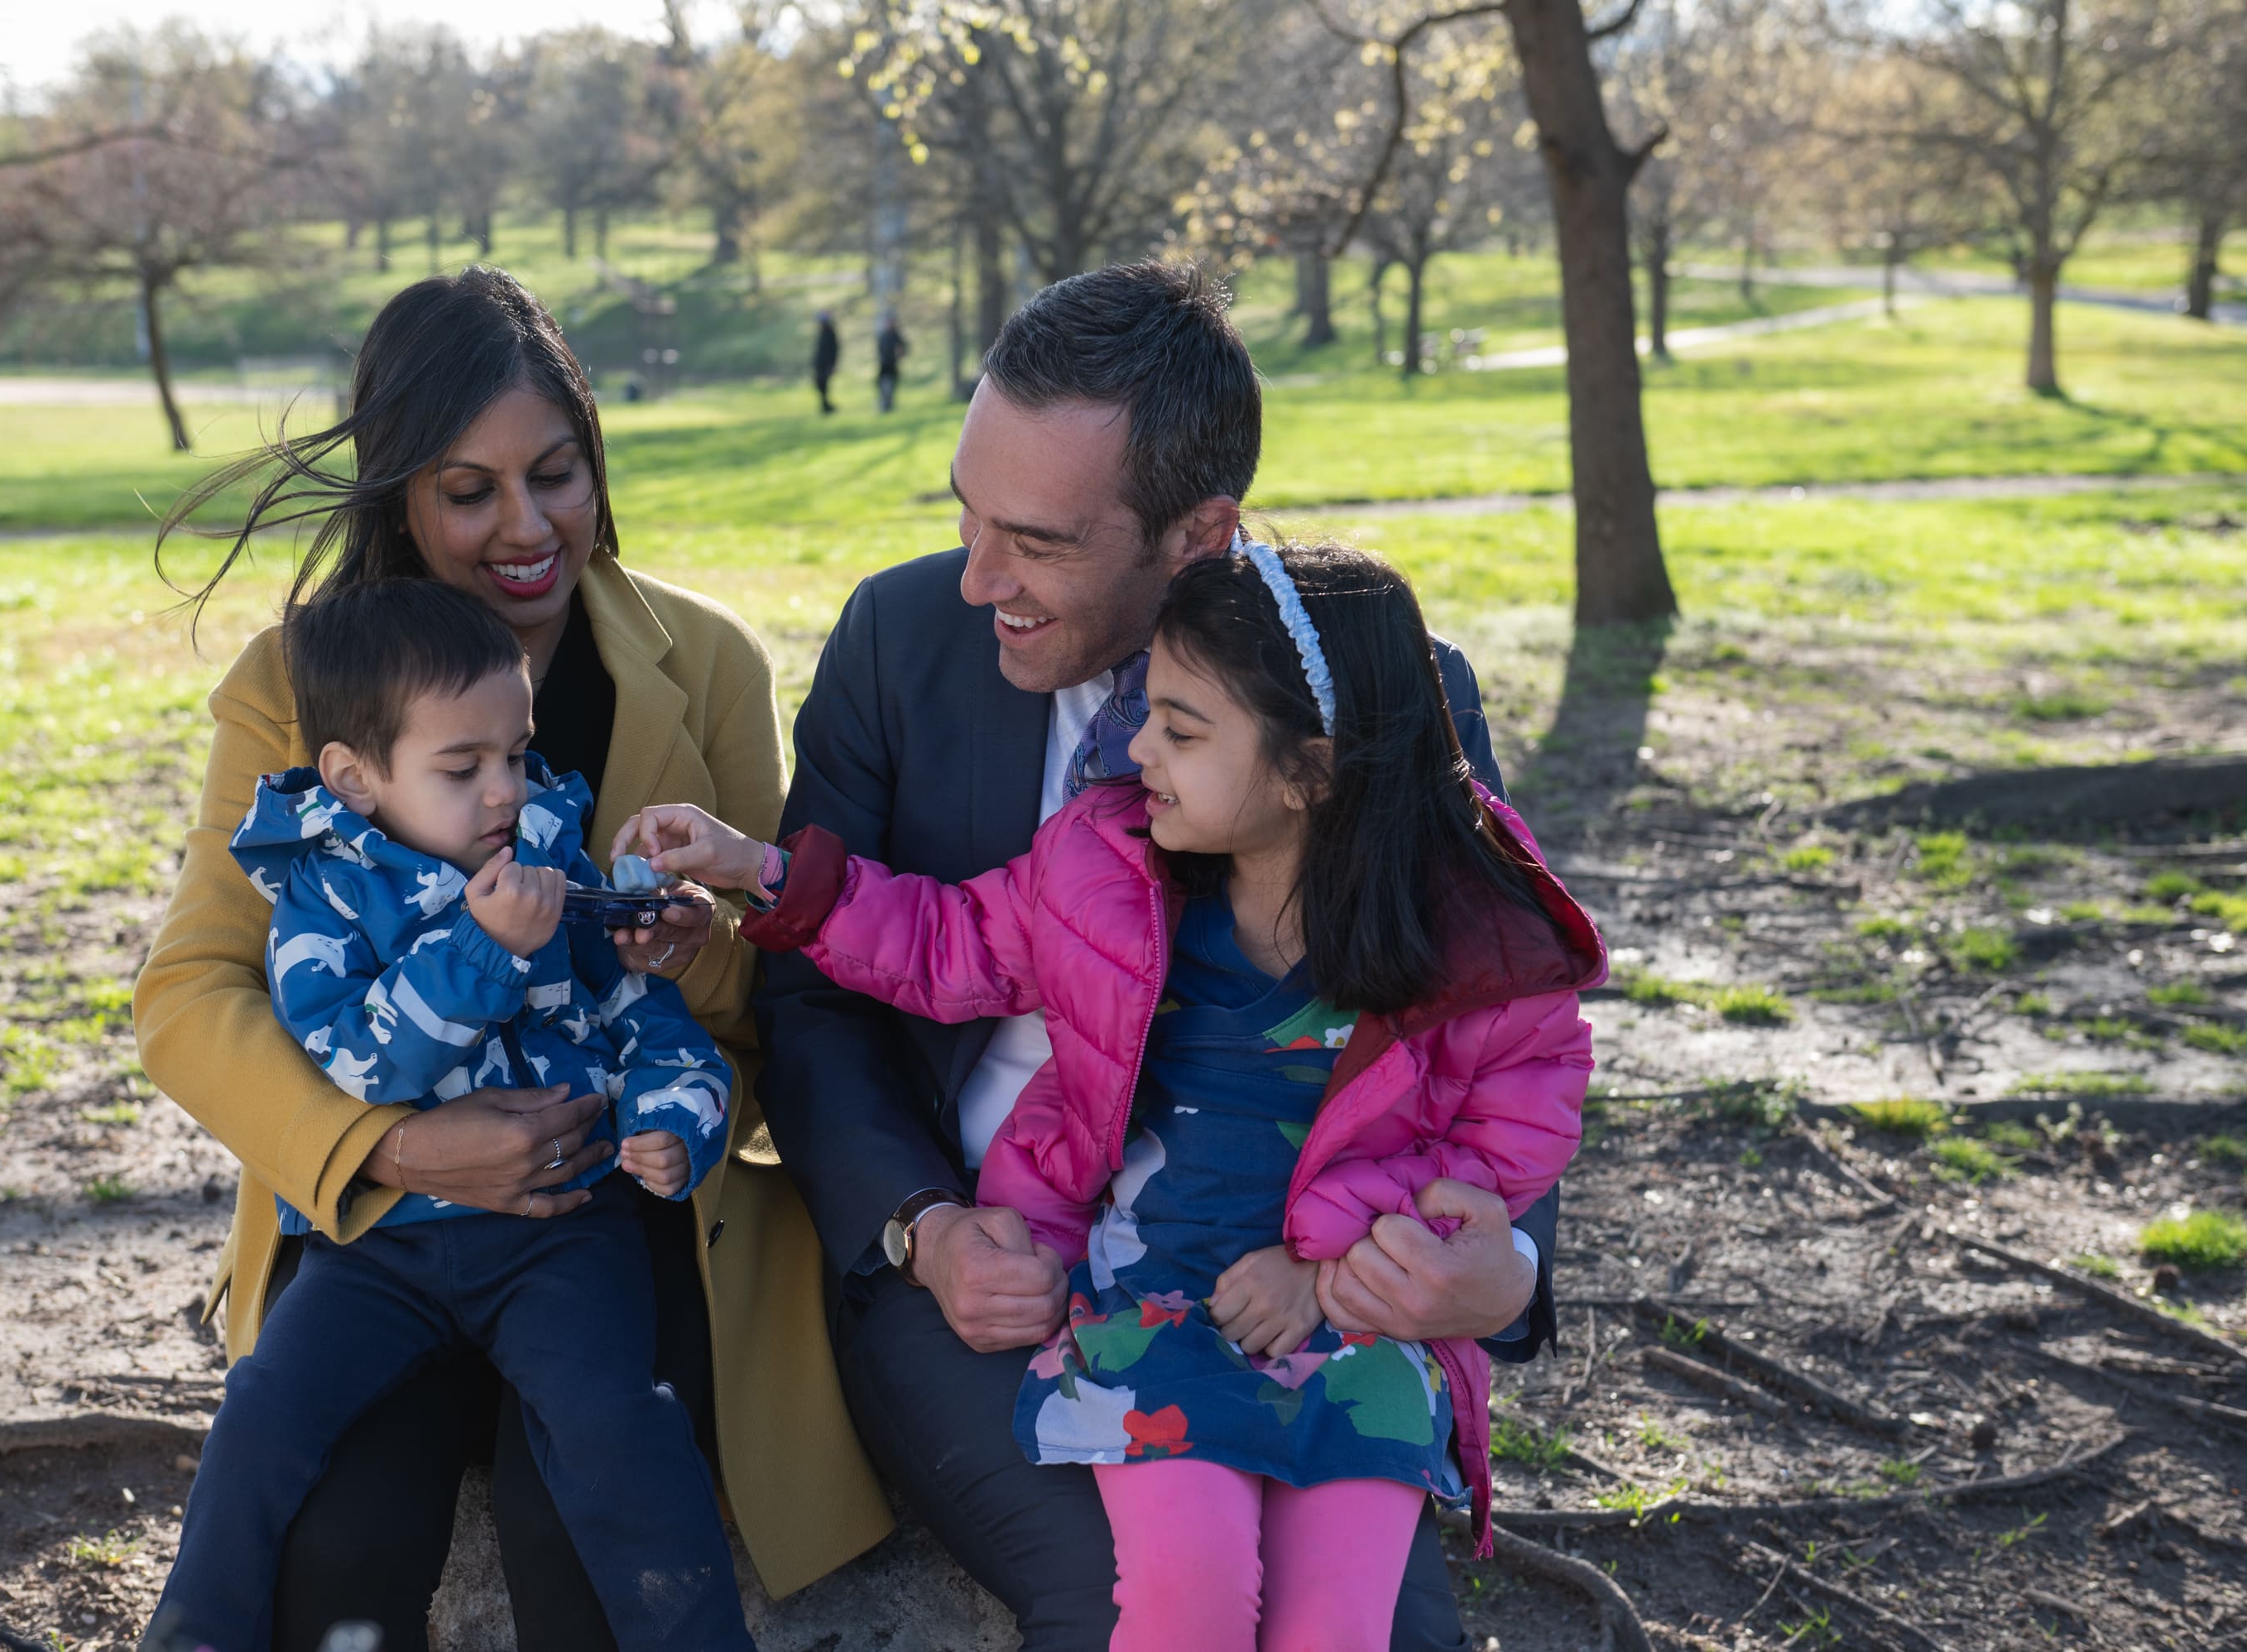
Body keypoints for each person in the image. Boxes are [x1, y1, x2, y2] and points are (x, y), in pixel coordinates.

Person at [745, 262, 1562, 1650]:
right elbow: (815, 998)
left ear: (1198, 533)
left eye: (1039, 540)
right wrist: (921, 1228)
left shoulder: (1380, 696)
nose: (976, 574)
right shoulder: (898, 640)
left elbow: (1497, 1024)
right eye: (965, 510)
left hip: (1301, 1292)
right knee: (1137, 1607)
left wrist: (1506, 1272)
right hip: (992, 1274)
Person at [622, 540, 1601, 1650]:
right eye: (1149, 715)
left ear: (1310, 772)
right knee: (1192, 1600)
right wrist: (760, 867)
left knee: (1339, 1629)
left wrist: (1341, 1274)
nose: (1139, 751)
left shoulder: (1460, 932)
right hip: (1152, 1314)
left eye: (1182, 732)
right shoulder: (1107, 868)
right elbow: (948, 941)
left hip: (1359, 1335)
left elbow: (1515, 1125)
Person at [133, 265, 890, 1652]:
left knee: (586, 1526)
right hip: (376, 1206)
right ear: (396, 493)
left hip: (622, 1203)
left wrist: (694, 951)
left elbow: (779, 995)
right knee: (339, 1531)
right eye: (468, 490)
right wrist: (392, 1149)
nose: (527, 527)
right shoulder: (300, 681)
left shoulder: (705, 662)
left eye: (557, 473)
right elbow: (191, 998)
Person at [155, 580, 747, 1652]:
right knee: (264, 1412)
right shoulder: (321, 899)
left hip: (565, 1233)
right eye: (461, 768)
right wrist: (485, 951)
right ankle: (193, 1634)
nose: (505, 793)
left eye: (516, 757)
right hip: (378, 1244)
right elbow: (363, 1059)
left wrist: (675, 1121)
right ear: (357, 777)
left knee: (622, 1427)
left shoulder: (553, 869)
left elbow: (650, 1026)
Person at [875, 312, 908, 413]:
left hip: (893, 365)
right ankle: (884, 404)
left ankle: (889, 405)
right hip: (884, 365)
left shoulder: (896, 335)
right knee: (882, 385)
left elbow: (903, 349)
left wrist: (899, 354)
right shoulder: (883, 335)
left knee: (892, 386)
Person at [812, 310, 841, 414]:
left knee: (824, 384)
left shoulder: (830, 333)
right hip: (820, 364)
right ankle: (825, 405)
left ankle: (827, 406)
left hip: (826, 365)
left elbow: (834, 350)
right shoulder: (822, 333)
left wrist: (832, 365)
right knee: (819, 385)